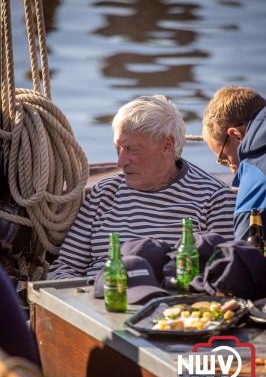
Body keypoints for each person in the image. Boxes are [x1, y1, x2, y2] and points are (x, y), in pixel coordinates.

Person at [48, 95, 236, 280]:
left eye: (132, 150)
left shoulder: (214, 198)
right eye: (118, 148)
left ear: (167, 145)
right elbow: (65, 268)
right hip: (93, 299)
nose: (121, 162)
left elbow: (223, 278)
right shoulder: (104, 194)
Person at [202, 86, 266, 240]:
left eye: (225, 158)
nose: (232, 170)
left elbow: (246, 253)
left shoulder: (256, 172)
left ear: (236, 135)